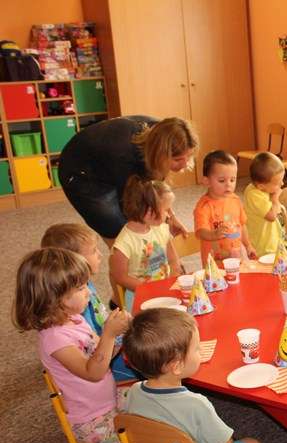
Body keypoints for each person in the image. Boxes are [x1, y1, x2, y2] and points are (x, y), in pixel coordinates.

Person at [13, 248, 138, 443]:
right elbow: (94, 372)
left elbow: (100, 354)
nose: (89, 292)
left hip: (107, 402)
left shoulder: (74, 319)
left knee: (150, 396)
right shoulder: (55, 339)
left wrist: (120, 334)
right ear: (55, 299)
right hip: (90, 422)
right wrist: (109, 333)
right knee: (142, 437)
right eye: (81, 288)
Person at [123, 308, 264, 443]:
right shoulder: (196, 404)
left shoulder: (133, 392)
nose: (200, 352)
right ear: (177, 366)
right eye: (197, 349)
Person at [59, 116, 197, 246]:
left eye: (188, 157)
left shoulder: (165, 133)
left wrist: (171, 219)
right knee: (118, 231)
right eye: (178, 159)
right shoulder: (124, 157)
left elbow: (156, 191)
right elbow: (133, 207)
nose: (185, 164)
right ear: (159, 153)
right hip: (80, 172)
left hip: (109, 157)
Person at [41, 223, 137, 381]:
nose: (100, 254)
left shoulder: (81, 291)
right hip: (104, 361)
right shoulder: (75, 310)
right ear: (73, 261)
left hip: (107, 345)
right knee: (154, 360)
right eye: (93, 251)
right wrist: (112, 333)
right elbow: (92, 356)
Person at [110, 177, 181, 309]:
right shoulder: (124, 243)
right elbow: (120, 277)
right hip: (140, 297)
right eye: (166, 210)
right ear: (149, 212)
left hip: (165, 289)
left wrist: (172, 279)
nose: (169, 215)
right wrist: (150, 288)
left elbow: (173, 260)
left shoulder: (161, 228)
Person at [194, 151, 257, 264]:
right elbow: (200, 232)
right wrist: (213, 234)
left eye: (232, 180)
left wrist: (248, 245)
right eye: (222, 181)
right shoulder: (204, 206)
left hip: (237, 256)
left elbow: (242, 225)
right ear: (207, 181)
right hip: (215, 263)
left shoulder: (235, 199)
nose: (228, 184)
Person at [244, 152, 287, 257]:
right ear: (261, 186)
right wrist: (275, 199)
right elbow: (271, 216)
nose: (282, 184)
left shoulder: (265, 189)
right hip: (263, 247)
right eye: (277, 183)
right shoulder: (254, 195)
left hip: (273, 242)